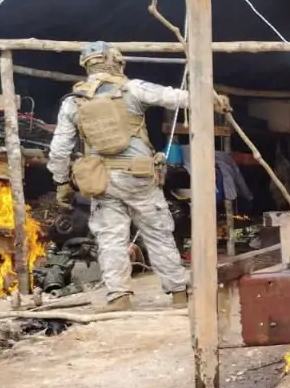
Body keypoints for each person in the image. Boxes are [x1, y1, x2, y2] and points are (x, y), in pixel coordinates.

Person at [47, 41, 230, 310]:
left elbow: (59, 150)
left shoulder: (73, 103)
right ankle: (179, 293)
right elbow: (173, 96)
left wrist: (62, 182)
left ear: (87, 67)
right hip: (140, 176)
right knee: (158, 233)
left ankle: (119, 296)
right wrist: (211, 99)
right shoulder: (132, 89)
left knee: (110, 238)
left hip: (102, 181)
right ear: (116, 61)